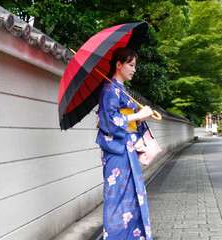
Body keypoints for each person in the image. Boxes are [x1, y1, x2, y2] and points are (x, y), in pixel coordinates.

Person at [96, 47, 154, 240]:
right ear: (118, 65)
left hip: (127, 148)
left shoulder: (121, 89)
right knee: (116, 196)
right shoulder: (109, 89)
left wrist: (140, 116)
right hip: (117, 151)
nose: (134, 69)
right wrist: (138, 115)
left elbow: (123, 118)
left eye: (135, 65)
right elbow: (109, 121)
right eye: (130, 65)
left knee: (133, 196)